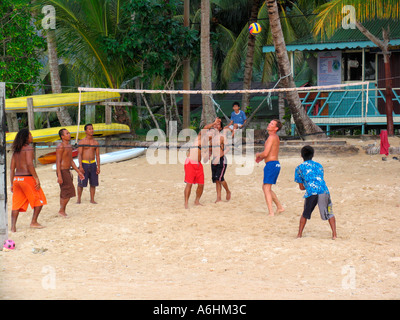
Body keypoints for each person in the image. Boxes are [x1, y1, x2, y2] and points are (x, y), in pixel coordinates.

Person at [294, 145, 337, 240]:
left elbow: (301, 187)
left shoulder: (299, 168)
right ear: (313, 155)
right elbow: (319, 179)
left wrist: (308, 185)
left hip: (311, 192)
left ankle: (299, 234)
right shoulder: (319, 166)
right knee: (330, 213)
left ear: (301, 155)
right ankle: (334, 235)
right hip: (324, 191)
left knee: (305, 214)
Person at [10, 129, 47, 232]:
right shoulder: (29, 149)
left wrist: (12, 183)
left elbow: (12, 168)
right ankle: (34, 222)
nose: (32, 136)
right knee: (40, 200)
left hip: (17, 179)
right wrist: (36, 178)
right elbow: (30, 164)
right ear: (26, 137)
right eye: (30, 135)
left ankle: (13, 227)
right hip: (27, 178)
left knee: (16, 204)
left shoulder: (16, 150)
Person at [183, 118, 219, 209]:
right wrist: (214, 123)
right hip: (190, 163)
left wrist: (208, 155)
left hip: (198, 165)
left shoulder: (206, 145)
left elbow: (205, 160)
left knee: (201, 184)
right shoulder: (200, 137)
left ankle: (197, 201)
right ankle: (186, 202)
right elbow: (206, 127)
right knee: (189, 184)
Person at [255, 119, 284, 216]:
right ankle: (279, 207)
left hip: (272, 165)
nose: (269, 124)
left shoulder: (272, 137)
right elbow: (269, 153)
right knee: (266, 187)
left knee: (266, 188)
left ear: (275, 128)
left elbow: (266, 153)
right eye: (270, 123)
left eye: (272, 124)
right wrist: (261, 157)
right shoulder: (273, 137)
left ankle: (271, 212)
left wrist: (259, 154)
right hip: (273, 164)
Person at [56, 128, 84, 217]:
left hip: (67, 170)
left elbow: (71, 161)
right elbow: (58, 162)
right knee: (68, 190)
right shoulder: (60, 146)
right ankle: (61, 210)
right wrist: (59, 175)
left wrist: (78, 171)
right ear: (62, 136)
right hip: (62, 171)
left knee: (65, 191)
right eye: (67, 133)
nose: (69, 134)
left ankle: (62, 210)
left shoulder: (69, 146)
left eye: (69, 133)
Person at [77, 124, 100, 204]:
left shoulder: (96, 142)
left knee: (93, 183)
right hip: (84, 163)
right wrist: (80, 166)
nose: (91, 130)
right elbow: (79, 154)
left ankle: (92, 199)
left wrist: (98, 167)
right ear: (85, 131)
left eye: (92, 128)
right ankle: (79, 199)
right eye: (89, 129)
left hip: (93, 164)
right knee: (81, 183)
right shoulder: (82, 142)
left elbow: (97, 155)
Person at [209, 120, 231, 203]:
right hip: (214, 160)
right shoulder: (211, 138)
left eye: (218, 124)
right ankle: (218, 198)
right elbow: (211, 148)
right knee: (216, 180)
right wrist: (209, 154)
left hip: (222, 159)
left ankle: (228, 191)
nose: (215, 125)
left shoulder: (222, 137)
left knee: (220, 178)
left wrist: (220, 156)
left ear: (220, 128)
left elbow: (227, 148)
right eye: (215, 124)